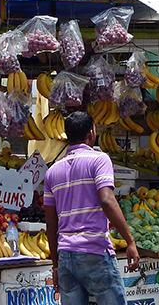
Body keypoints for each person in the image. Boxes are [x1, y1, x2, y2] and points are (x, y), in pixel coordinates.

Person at [44, 111, 139, 305]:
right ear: (91, 134)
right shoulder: (99, 160)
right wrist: (130, 240)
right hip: (94, 251)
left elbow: (51, 224)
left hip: (66, 257)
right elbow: (107, 200)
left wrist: (55, 266)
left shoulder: (52, 171)